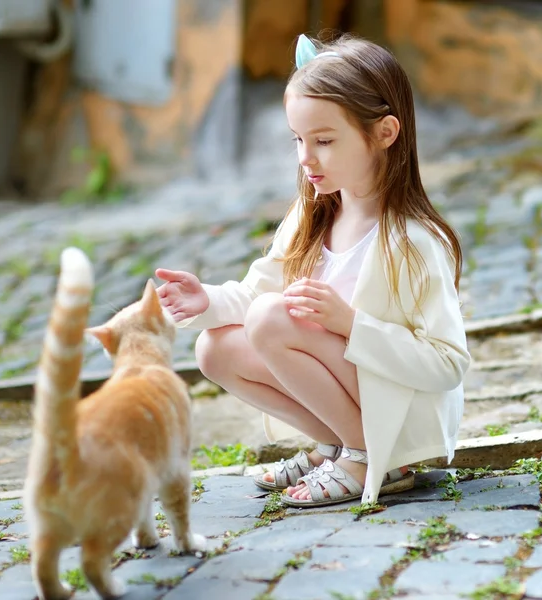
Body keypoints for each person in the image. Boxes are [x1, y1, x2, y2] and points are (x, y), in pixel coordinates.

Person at [155, 33, 470, 508]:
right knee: (214, 347)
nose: (305, 158)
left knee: (271, 318)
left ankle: (375, 459)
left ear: (385, 133)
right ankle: (337, 447)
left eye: (323, 140)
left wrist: (350, 324)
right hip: (354, 400)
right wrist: (210, 302)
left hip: (396, 411)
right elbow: (257, 292)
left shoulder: (413, 243)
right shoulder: (313, 216)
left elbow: (448, 364)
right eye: (299, 140)